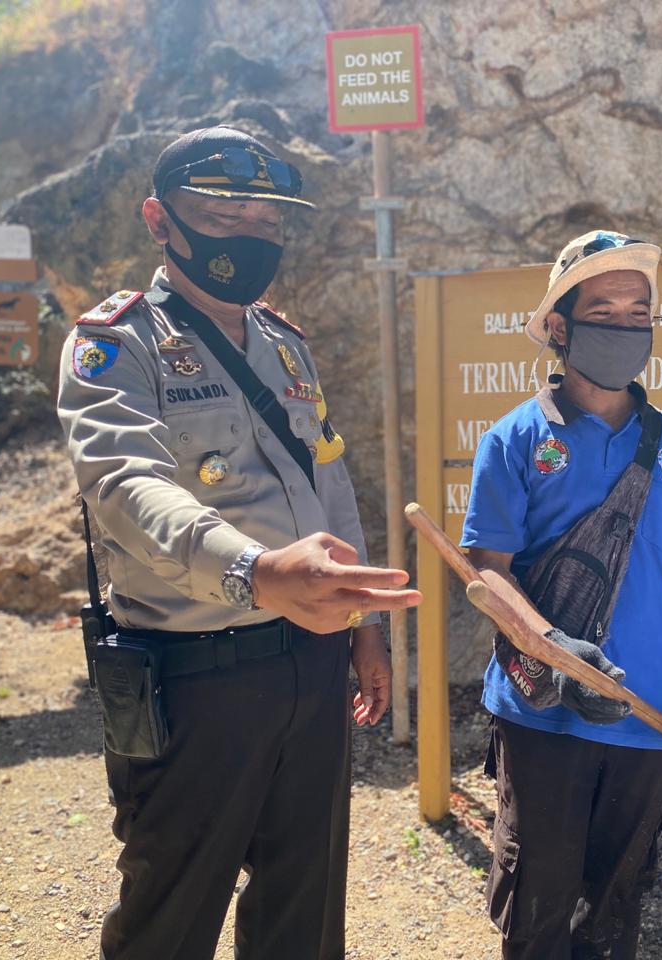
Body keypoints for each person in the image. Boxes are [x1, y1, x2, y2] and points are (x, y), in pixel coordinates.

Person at [56, 125, 421, 960]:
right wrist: (255, 572)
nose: (252, 232)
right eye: (223, 214)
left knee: (306, 906)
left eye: (269, 217)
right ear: (160, 220)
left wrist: (365, 626)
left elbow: (329, 482)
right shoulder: (116, 345)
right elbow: (125, 487)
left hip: (313, 663)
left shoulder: (286, 346)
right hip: (197, 680)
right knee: (170, 919)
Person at [461, 230, 662, 960]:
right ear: (558, 326)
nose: (624, 326)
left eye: (637, 312)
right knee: (540, 907)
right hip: (544, 712)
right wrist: (550, 646)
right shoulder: (515, 439)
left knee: (616, 907)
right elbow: (487, 569)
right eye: (602, 311)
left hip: (647, 718)